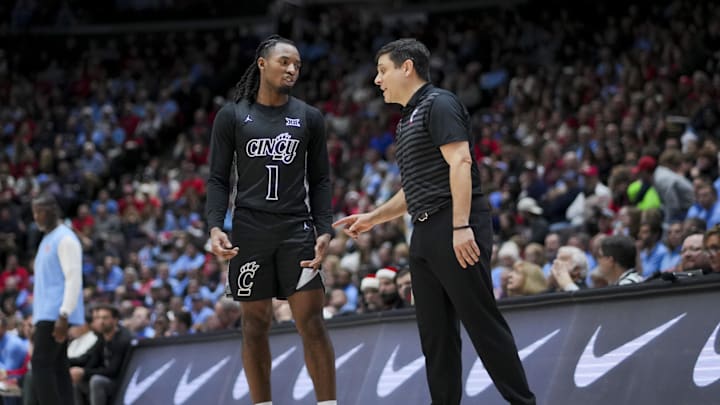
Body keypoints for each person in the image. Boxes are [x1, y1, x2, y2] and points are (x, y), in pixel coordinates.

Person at [334, 38, 535, 405]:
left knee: (482, 325)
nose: (377, 81)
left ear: (406, 67)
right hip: (424, 230)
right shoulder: (407, 119)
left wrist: (461, 227)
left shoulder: (439, 104)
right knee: (436, 337)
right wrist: (374, 218)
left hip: (454, 224)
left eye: (382, 71)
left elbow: (460, 162)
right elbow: (415, 187)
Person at [205, 35, 336, 405]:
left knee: (311, 322)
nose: (292, 69)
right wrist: (215, 225)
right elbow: (217, 179)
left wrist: (324, 228)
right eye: (284, 62)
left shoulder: (309, 117)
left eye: (297, 64)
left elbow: (321, 179)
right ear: (262, 63)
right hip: (248, 231)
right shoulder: (232, 116)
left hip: (297, 228)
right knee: (255, 326)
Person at [30, 193, 85, 405]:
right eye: (34, 212)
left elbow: (73, 278)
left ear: (53, 209)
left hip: (56, 313)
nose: (36, 216)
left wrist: (64, 314)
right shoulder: (47, 239)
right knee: (58, 367)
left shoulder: (66, 238)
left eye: (40, 210)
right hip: (47, 314)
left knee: (41, 364)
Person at [70, 303, 132, 405]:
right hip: (105, 378)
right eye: (98, 318)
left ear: (115, 320)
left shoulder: (122, 339)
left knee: (96, 381)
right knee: (77, 383)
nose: (101, 321)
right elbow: (89, 360)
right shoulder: (102, 338)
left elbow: (113, 371)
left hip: (122, 382)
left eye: (105, 318)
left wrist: (84, 373)